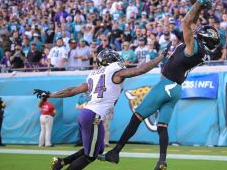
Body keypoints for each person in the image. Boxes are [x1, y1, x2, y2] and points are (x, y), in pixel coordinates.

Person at [100, 0, 219, 169]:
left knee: (136, 118)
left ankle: (115, 152)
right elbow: (192, 24)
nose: (197, 30)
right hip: (176, 90)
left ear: (202, 37)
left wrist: (199, 3)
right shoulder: (200, 51)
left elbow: (187, 22)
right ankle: (162, 161)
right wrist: (200, 9)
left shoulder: (193, 46)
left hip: (166, 85)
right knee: (162, 126)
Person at [33, 45, 171, 170]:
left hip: (89, 115)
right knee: (90, 156)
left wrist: (50, 94)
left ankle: (61, 162)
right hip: (93, 116)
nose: (119, 61)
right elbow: (140, 70)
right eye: (115, 58)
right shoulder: (115, 71)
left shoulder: (94, 74)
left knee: (97, 150)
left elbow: (73, 90)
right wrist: (160, 57)